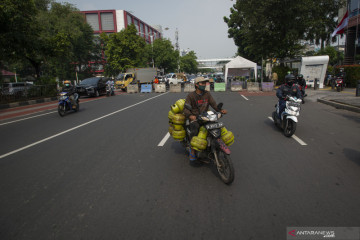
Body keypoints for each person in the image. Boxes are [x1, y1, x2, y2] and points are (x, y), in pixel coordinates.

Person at [183, 77, 227, 167]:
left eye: (204, 83)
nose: (204, 85)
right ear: (196, 85)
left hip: (206, 117)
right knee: (195, 130)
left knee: (216, 127)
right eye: (202, 83)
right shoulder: (191, 96)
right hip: (196, 119)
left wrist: (221, 110)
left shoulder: (207, 94)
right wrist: (191, 116)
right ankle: (192, 152)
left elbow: (214, 104)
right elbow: (185, 109)